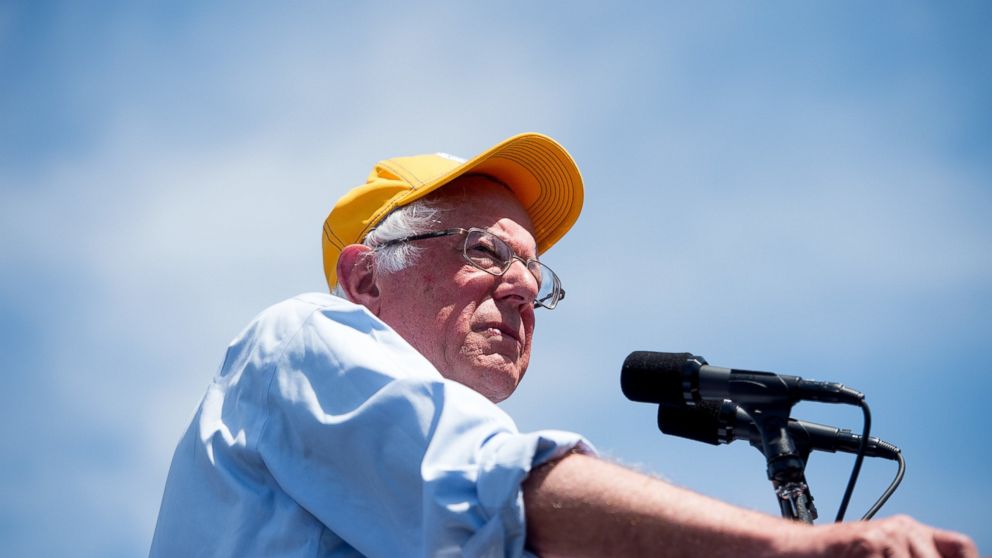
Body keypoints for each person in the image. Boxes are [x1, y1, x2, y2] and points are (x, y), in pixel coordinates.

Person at [150, 133, 977, 557]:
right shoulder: (298, 344)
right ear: (366, 279)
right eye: (481, 251)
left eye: (534, 273)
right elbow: (498, 490)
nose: (519, 288)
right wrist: (797, 547)